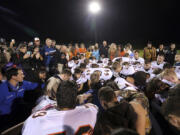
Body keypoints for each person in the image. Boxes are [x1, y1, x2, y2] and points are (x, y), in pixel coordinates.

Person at [22, 81, 98, 135]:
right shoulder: (92, 110)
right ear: (75, 99)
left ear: (57, 98)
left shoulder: (37, 120)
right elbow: (92, 106)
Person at [0, 66, 40, 131]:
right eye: (21, 74)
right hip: (6, 119)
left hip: (20, 115)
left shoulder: (23, 83)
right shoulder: (1, 89)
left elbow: (37, 85)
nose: (23, 76)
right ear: (13, 76)